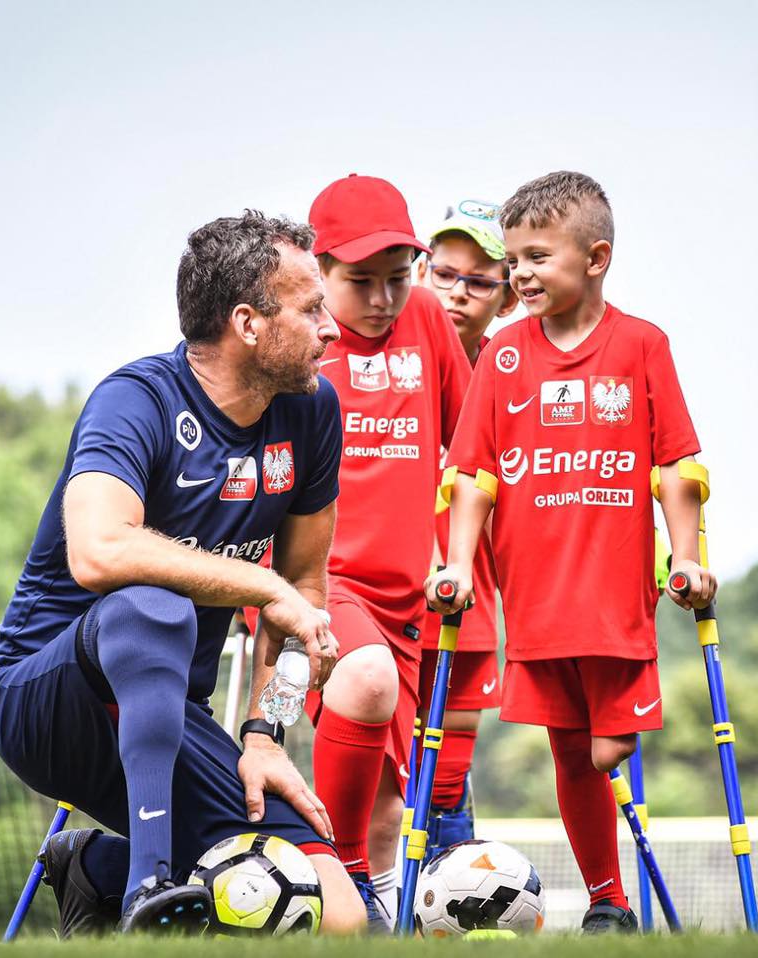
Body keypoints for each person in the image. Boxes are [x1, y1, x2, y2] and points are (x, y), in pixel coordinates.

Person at [0, 211, 366, 935]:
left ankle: (97, 871)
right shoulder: (136, 400)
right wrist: (261, 585)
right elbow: (97, 551)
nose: (333, 325)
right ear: (248, 323)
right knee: (152, 606)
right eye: (312, 306)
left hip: (170, 715)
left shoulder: (313, 412)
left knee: (339, 916)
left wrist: (264, 734)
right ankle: (147, 892)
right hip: (47, 696)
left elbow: (304, 594)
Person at [426, 171, 717, 933]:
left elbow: (677, 466)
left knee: (605, 748)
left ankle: (610, 890)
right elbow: (471, 475)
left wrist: (686, 559)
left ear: (595, 259)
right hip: (536, 597)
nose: (518, 275)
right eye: (512, 261)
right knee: (569, 748)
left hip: (617, 597)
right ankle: (607, 903)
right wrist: (457, 565)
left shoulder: (643, 345)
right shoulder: (505, 356)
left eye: (535, 257)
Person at [304, 174, 471, 926]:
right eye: (360, 282)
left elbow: (471, 448)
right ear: (319, 270)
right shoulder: (300, 341)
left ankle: (357, 916)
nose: (382, 300)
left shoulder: (429, 316)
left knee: (391, 800)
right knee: (364, 679)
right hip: (318, 585)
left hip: (415, 596)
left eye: (397, 279)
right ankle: (336, 878)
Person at [413, 200, 517, 857]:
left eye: (479, 281)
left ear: (507, 296)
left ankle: (447, 903)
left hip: (467, 605)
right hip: (368, 601)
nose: (458, 293)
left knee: (445, 779)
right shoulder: (380, 360)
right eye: (444, 273)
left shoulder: (514, 378)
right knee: (371, 767)